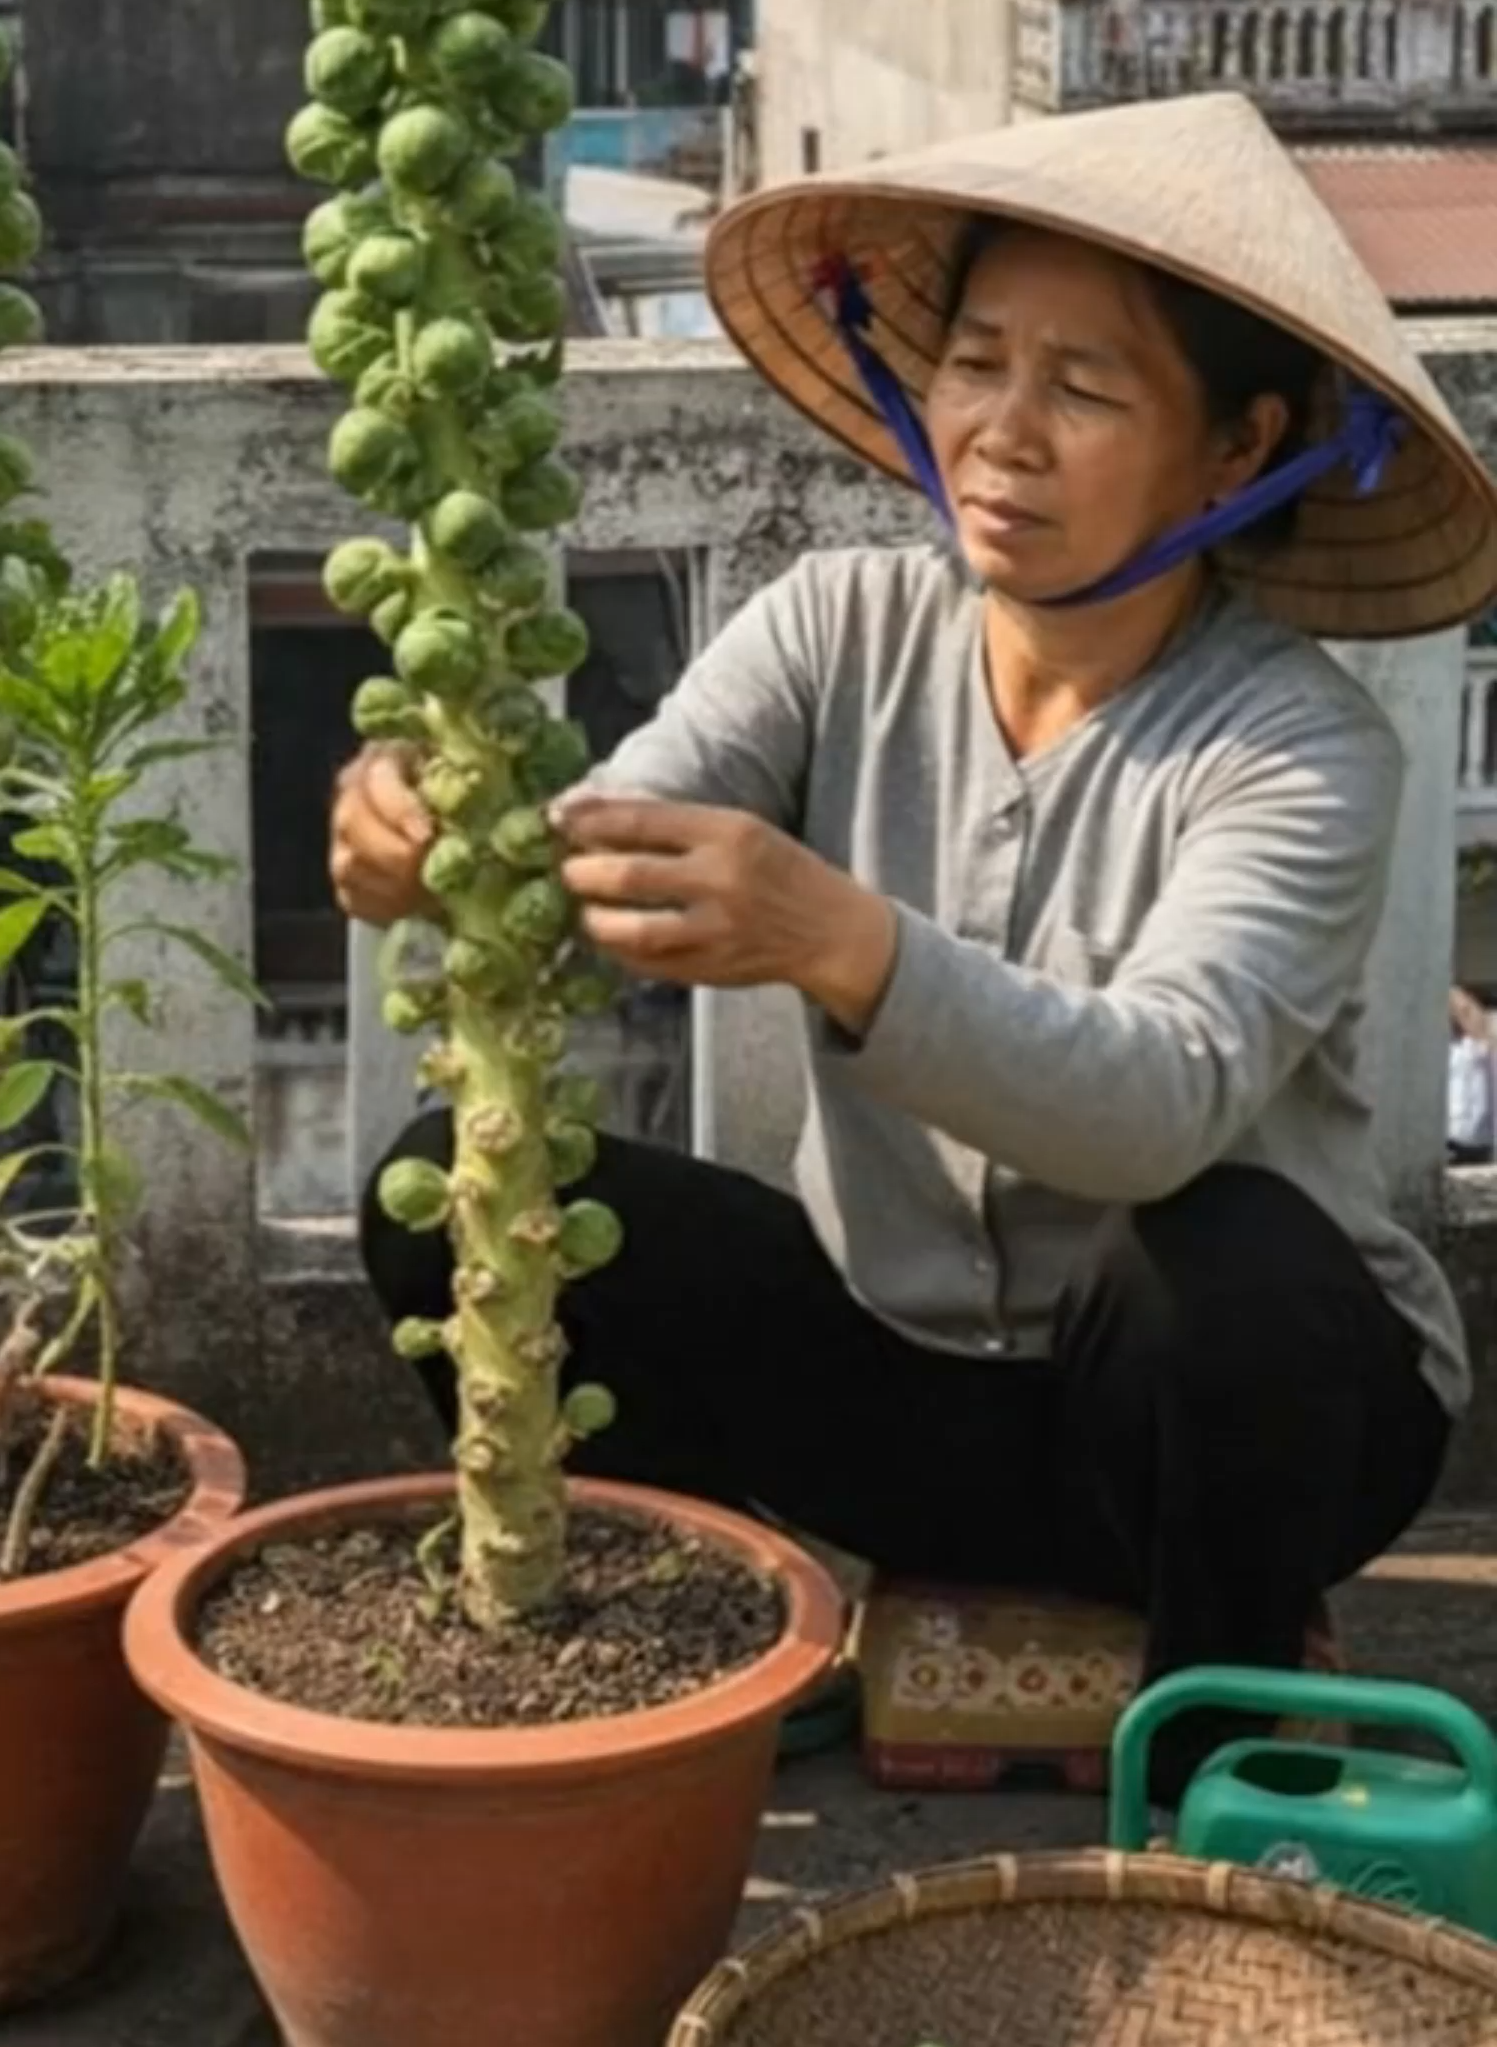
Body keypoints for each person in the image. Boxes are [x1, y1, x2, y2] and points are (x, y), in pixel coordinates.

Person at [334, 94, 1497, 1792]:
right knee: (441, 1191)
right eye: (978, 362)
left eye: (1086, 389)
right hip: (908, 1390)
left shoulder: (1298, 748)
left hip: (1223, 1429)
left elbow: (1159, 1103)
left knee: (1218, 1267)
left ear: (1237, 452)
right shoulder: (835, 625)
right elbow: (609, 842)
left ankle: (1219, 1748)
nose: (1004, 432)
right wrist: (436, 844)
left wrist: (844, 941)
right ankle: (723, 1638)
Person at [1449, 989, 1495, 1166]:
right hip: (1449, 1139)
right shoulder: (1447, 1048)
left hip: (1475, 1141)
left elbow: (1464, 1007)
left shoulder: (1478, 1047)